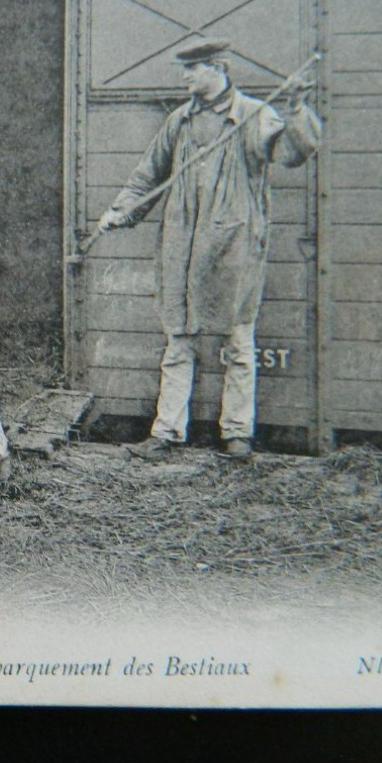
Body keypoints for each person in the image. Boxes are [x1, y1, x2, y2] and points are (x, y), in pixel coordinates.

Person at [95, 38, 321, 461]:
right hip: (182, 247)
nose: (184, 77)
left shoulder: (253, 115)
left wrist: (295, 110)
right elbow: (147, 177)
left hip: (233, 247)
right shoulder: (180, 122)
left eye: (192, 69)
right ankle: (166, 432)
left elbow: (294, 153)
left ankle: (237, 433)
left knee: (238, 340)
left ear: (217, 67)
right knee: (179, 340)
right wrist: (119, 212)